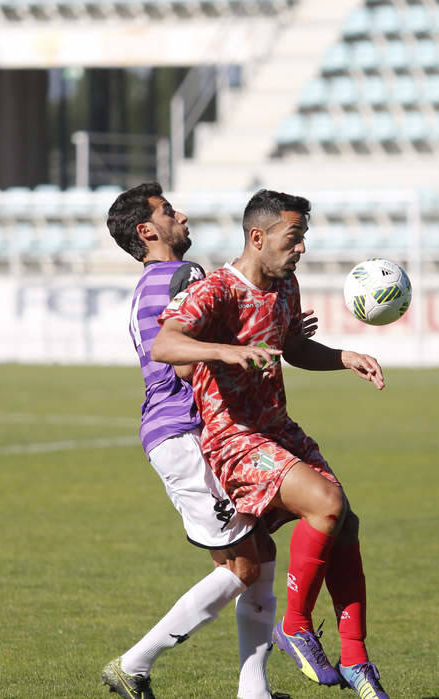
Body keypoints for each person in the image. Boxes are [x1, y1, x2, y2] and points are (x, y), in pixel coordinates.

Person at [152, 189, 390, 699]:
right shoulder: (216, 290)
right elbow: (166, 345)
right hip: (233, 436)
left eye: (304, 237)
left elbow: (294, 347)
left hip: (276, 427)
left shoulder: (286, 285)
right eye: (294, 237)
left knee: (345, 520)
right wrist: (227, 351)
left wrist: (343, 356)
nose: (301, 248)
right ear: (257, 237)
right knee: (326, 503)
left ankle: (356, 658)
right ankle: (296, 627)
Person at [103, 182, 307, 699]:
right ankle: (135, 663)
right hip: (187, 430)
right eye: (170, 212)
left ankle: (253, 692)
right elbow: (180, 347)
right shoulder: (183, 275)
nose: (183, 217)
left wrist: (277, 333)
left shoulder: (151, 281)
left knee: (257, 555)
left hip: (179, 430)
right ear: (148, 231)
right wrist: (253, 341)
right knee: (241, 566)